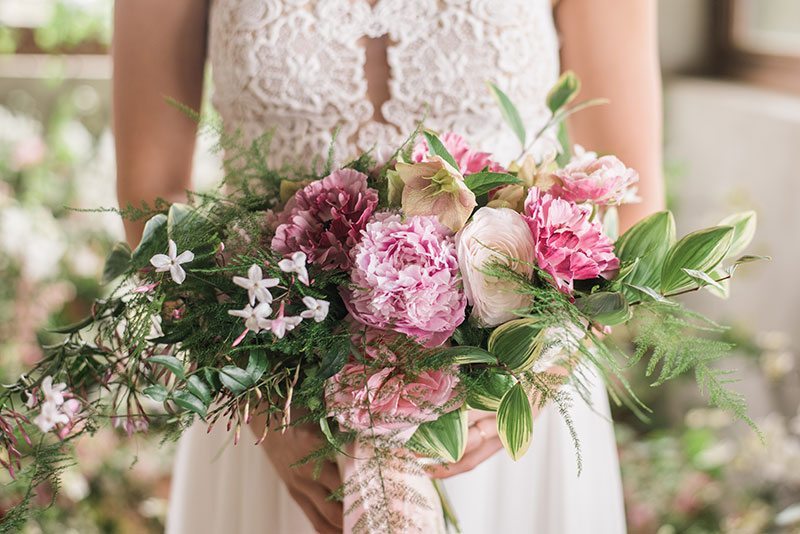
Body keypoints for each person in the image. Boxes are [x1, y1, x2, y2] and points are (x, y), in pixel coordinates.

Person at [113, 1, 663, 532]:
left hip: (508, 406)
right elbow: (151, 199)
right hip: (275, 399)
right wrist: (258, 403)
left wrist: (537, 378)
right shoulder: (266, 408)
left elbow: (633, 201)